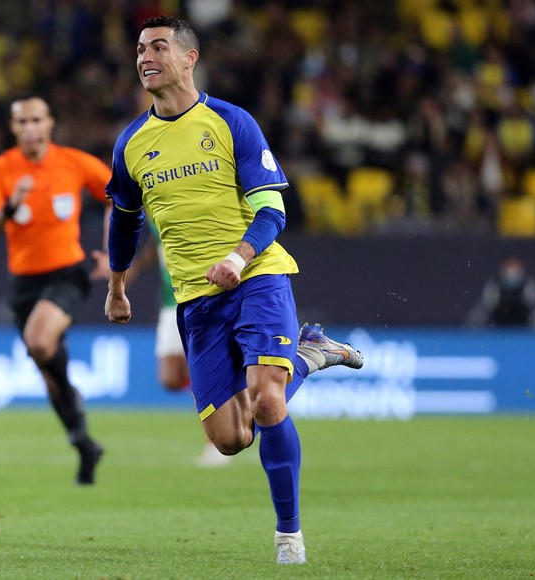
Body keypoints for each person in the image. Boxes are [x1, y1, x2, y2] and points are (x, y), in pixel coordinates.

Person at [104, 16, 364, 565]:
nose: (145, 57)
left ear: (189, 57)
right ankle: (311, 354)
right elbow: (124, 221)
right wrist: (118, 284)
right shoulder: (131, 142)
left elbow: (273, 208)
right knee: (228, 438)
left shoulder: (231, 121)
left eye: (157, 47)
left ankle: (288, 536)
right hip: (196, 300)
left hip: (256, 276)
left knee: (268, 399)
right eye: (139, 49)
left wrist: (239, 255)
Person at [0, 94, 111, 486]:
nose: (30, 128)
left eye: (36, 120)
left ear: (50, 123)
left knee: (38, 340)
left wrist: (112, 251)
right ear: (13, 128)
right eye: (21, 122)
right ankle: (83, 442)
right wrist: (11, 208)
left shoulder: (75, 162)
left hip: (67, 273)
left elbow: (118, 198)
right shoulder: (0, 171)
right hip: (24, 283)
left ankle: (74, 407)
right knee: (49, 375)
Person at [126, 221, 230, 467]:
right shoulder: (152, 205)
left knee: (199, 374)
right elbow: (157, 241)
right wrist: (137, 266)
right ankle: (229, 389)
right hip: (168, 300)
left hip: (196, 296)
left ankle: (215, 443)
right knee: (171, 378)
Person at [469, 255, 535, 327]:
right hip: (499, 319)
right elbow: (488, 304)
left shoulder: (528, 283)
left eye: (515, 267)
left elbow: (532, 304)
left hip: (522, 319)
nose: (512, 271)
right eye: (510, 267)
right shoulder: (495, 283)